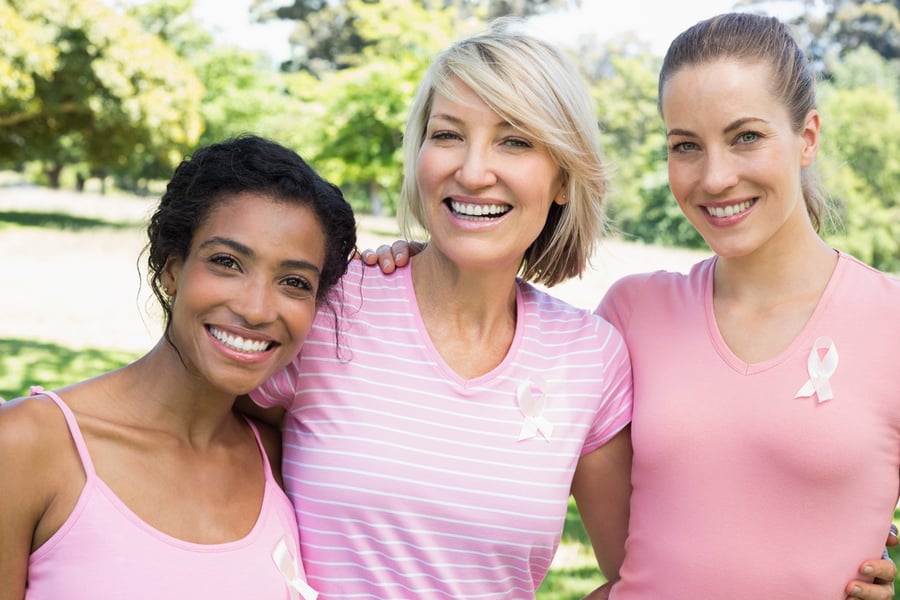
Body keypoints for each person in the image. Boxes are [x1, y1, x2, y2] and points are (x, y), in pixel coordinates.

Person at [363, 12, 899, 600]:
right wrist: (426, 262)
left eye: (746, 136)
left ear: (808, 137)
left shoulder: (889, 323)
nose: (716, 176)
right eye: (685, 146)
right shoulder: (631, 317)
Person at [248, 20, 634, 598]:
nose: (473, 172)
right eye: (449, 135)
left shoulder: (590, 357)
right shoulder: (331, 306)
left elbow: (639, 574)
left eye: (516, 140)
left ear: (563, 178)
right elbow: (192, 460)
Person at [0, 134, 357, 600]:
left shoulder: (277, 458)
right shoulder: (30, 445)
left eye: (294, 282)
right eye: (227, 262)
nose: (256, 309)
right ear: (172, 269)